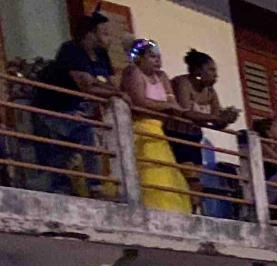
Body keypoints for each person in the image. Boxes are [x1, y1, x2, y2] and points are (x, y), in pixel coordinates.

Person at [33, 13, 115, 199]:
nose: (108, 37)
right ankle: (95, 186)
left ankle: (58, 188)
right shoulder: (71, 50)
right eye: (104, 33)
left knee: (64, 151)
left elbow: (110, 85)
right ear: (89, 34)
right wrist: (112, 91)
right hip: (52, 109)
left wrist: (106, 88)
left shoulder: (102, 55)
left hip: (76, 110)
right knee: (86, 133)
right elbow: (86, 86)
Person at [118, 40, 191, 214]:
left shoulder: (162, 76)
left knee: (166, 172)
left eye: (158, 56)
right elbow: (139, 101)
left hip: (159, 129)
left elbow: (172, 102)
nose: (157, 60)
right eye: (151, 56)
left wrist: (174, 108)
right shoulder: (133, 72)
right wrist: (167, 107)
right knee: (150, 171)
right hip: (140, 128)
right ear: (139, 59)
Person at [165, 49, 238, 211]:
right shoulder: (182, 83)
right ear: (198, 70)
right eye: (211, 70)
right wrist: (217, 117)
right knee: (191, 179)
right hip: (176, 135)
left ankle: (193, 210)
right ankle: (192, 211)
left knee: (195, 179)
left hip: (194, 138)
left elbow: (216, 121)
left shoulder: (211, 92)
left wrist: (227, 119)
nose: (215, 75)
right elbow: (185, 111)